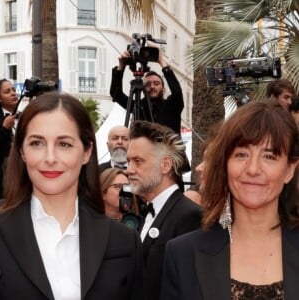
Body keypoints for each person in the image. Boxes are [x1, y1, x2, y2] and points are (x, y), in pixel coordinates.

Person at [0, 92, 143, 299]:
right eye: (36, 143)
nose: (50, 158)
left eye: (64, 144)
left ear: (86, 152)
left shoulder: (124, 240)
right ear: (22, 151)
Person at [161, 102, 299, 300]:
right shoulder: (183, 254)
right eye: (241, 154)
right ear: (225, 164)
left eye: (269, 156)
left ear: (289, 170)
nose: (253, 169)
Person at [126, 120, 201, 300]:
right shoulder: (147, 212)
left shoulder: (189, 216)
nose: (129, 170)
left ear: (165, 165)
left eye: (138, 161)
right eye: (128, 161)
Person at [110, 44, 184, 134]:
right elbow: (115, 93)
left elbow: (177, 92)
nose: (152, 87)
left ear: (163, 89)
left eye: (156, 83)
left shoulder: (172, 106)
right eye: (148, 84)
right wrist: (121, 65)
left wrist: (161, 61)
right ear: (143, 88)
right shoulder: (138, 106)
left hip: (167, 147)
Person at [0, 79, 18, 200]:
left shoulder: (24, 114)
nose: (13, 93)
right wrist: (5, 129)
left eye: (14, 90)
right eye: (7, 91)